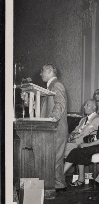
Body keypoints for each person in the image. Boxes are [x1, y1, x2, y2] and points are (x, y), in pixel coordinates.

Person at [24, 63, 68, 191]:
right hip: (50, 128)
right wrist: (27, 100)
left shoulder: (57, 85)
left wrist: (52, 121)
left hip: (56, 128)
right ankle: (59, 185)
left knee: (54, 159)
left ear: (49, 71)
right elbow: (41, 109)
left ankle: (55, 186)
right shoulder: (48, 88)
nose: (40, 73)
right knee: (54, 159)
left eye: (42, 71)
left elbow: (60, 104)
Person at [63, 101, 99, 187]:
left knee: (81, 150)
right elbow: (98, 136)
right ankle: (61, 175)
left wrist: (88, 145)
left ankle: (80, 179)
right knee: (76, 150)